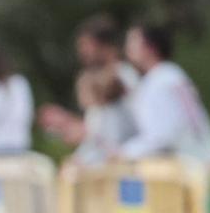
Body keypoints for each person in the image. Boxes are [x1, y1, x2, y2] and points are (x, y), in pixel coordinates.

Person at [116, 23, 210, 160]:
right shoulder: (171, 74)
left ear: (151, 47)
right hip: (205, 157)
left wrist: (125, 152)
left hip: (190, 167)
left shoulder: (159, 81)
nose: (128, 49)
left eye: (133, 41)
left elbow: (162, 136)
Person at [38, 15, 136, 162]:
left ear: (105, 46)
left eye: (86, 45)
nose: (82, 51)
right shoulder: (96, 80)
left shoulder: (125, 77)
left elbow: (115, 136)